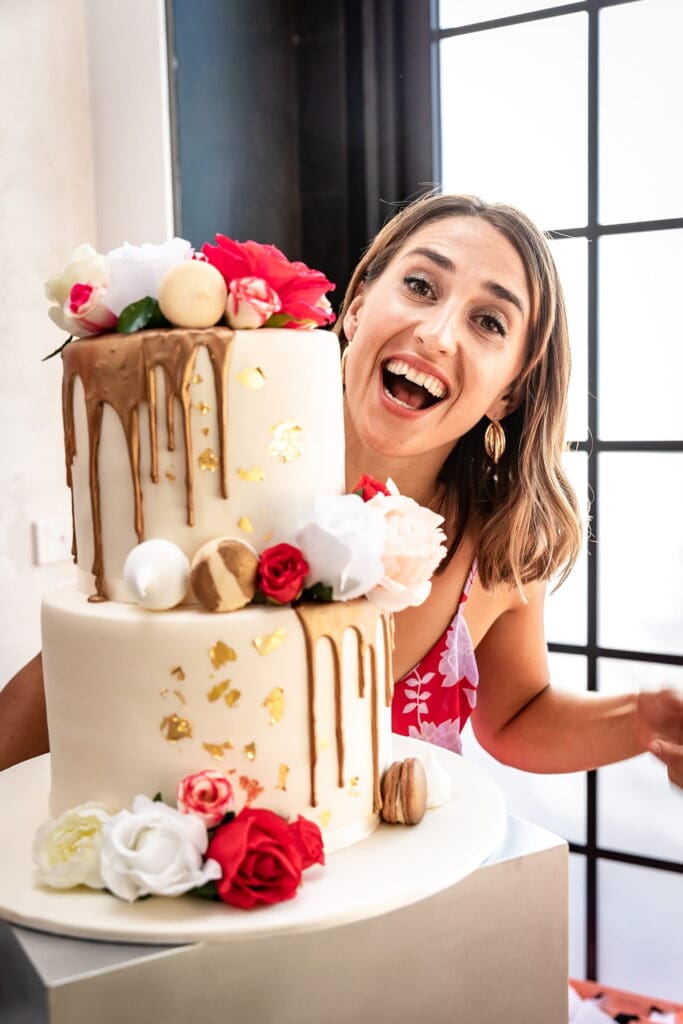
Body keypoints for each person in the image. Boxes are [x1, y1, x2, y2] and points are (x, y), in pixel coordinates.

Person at [1, 192, 682, 789]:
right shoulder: (219, 474)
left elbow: (515, 718)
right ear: (354, 311)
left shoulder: (502, 541)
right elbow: (92, 664)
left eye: (488, 322)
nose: (437, 332)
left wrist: (637, 720)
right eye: (420, 286)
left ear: (508, 392)